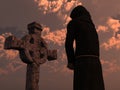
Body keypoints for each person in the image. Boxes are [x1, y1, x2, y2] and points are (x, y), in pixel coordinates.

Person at [65, 5, 105, 90]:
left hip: (82, 61)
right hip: (96, 63)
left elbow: (68, 43)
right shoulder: (92, 26)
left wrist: (71, 61)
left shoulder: (73, 23)